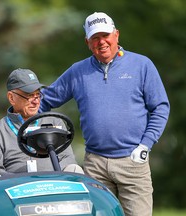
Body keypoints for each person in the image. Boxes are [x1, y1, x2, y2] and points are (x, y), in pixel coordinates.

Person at [39, 12, 170, 216]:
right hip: (95, 164)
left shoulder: (142, 65)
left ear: (116, 34)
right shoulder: (78, 71)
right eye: (95, 38)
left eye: (105, 35)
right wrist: (18, 115)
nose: (102, 42)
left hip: (133, 161)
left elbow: (160, 108)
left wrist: (146, 144)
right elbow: (44, 100)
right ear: (87, 42)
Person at [0, 68, 83, 175]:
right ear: (11, 98)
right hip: (18, 187)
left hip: (55, 183)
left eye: (38, 95)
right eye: (29, 96)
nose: (36, 101)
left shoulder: (55, 122)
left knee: (75, 169)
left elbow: (67, 158)